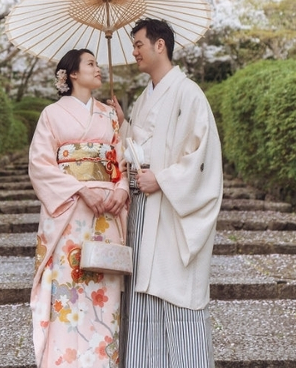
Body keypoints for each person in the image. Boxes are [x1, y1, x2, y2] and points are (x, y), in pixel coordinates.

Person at [120, 18, 224, 368]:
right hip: (143, 211)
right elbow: (139, 149)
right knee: (142, 299)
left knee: (176, 296)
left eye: (138, 44)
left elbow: (203, 158)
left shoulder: (188, 93)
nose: (134, 52)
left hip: (171, 211)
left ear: (159, 45)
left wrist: (162, 180)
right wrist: (123, 125)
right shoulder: (141, 99)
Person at [29, 49, 130, 368]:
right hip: (71, 212)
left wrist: (122, 187)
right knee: (68, 290)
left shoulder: (110, 114)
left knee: (105, 286)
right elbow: (40, 164)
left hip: (107, 212)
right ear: (72, 74)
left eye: (98, 64)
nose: (98, 69)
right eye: (90, 64)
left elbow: (123, 159)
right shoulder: (51, 114)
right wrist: (80, 189)